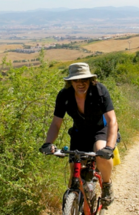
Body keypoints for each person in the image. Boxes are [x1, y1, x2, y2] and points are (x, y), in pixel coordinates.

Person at [39, 62, 118, 207]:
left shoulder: (99, 91)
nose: (80, 84)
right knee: (74, 176)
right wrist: (48, 143)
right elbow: (56, 122)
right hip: (79, 132)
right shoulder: (64, 96)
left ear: (90, 80)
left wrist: (109, 147)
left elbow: (112, 120)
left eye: (84, 80)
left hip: (100, 130)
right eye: (76, 80)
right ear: (70, 82)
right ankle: (77, 204)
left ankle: (107, 185)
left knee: (101, 154)